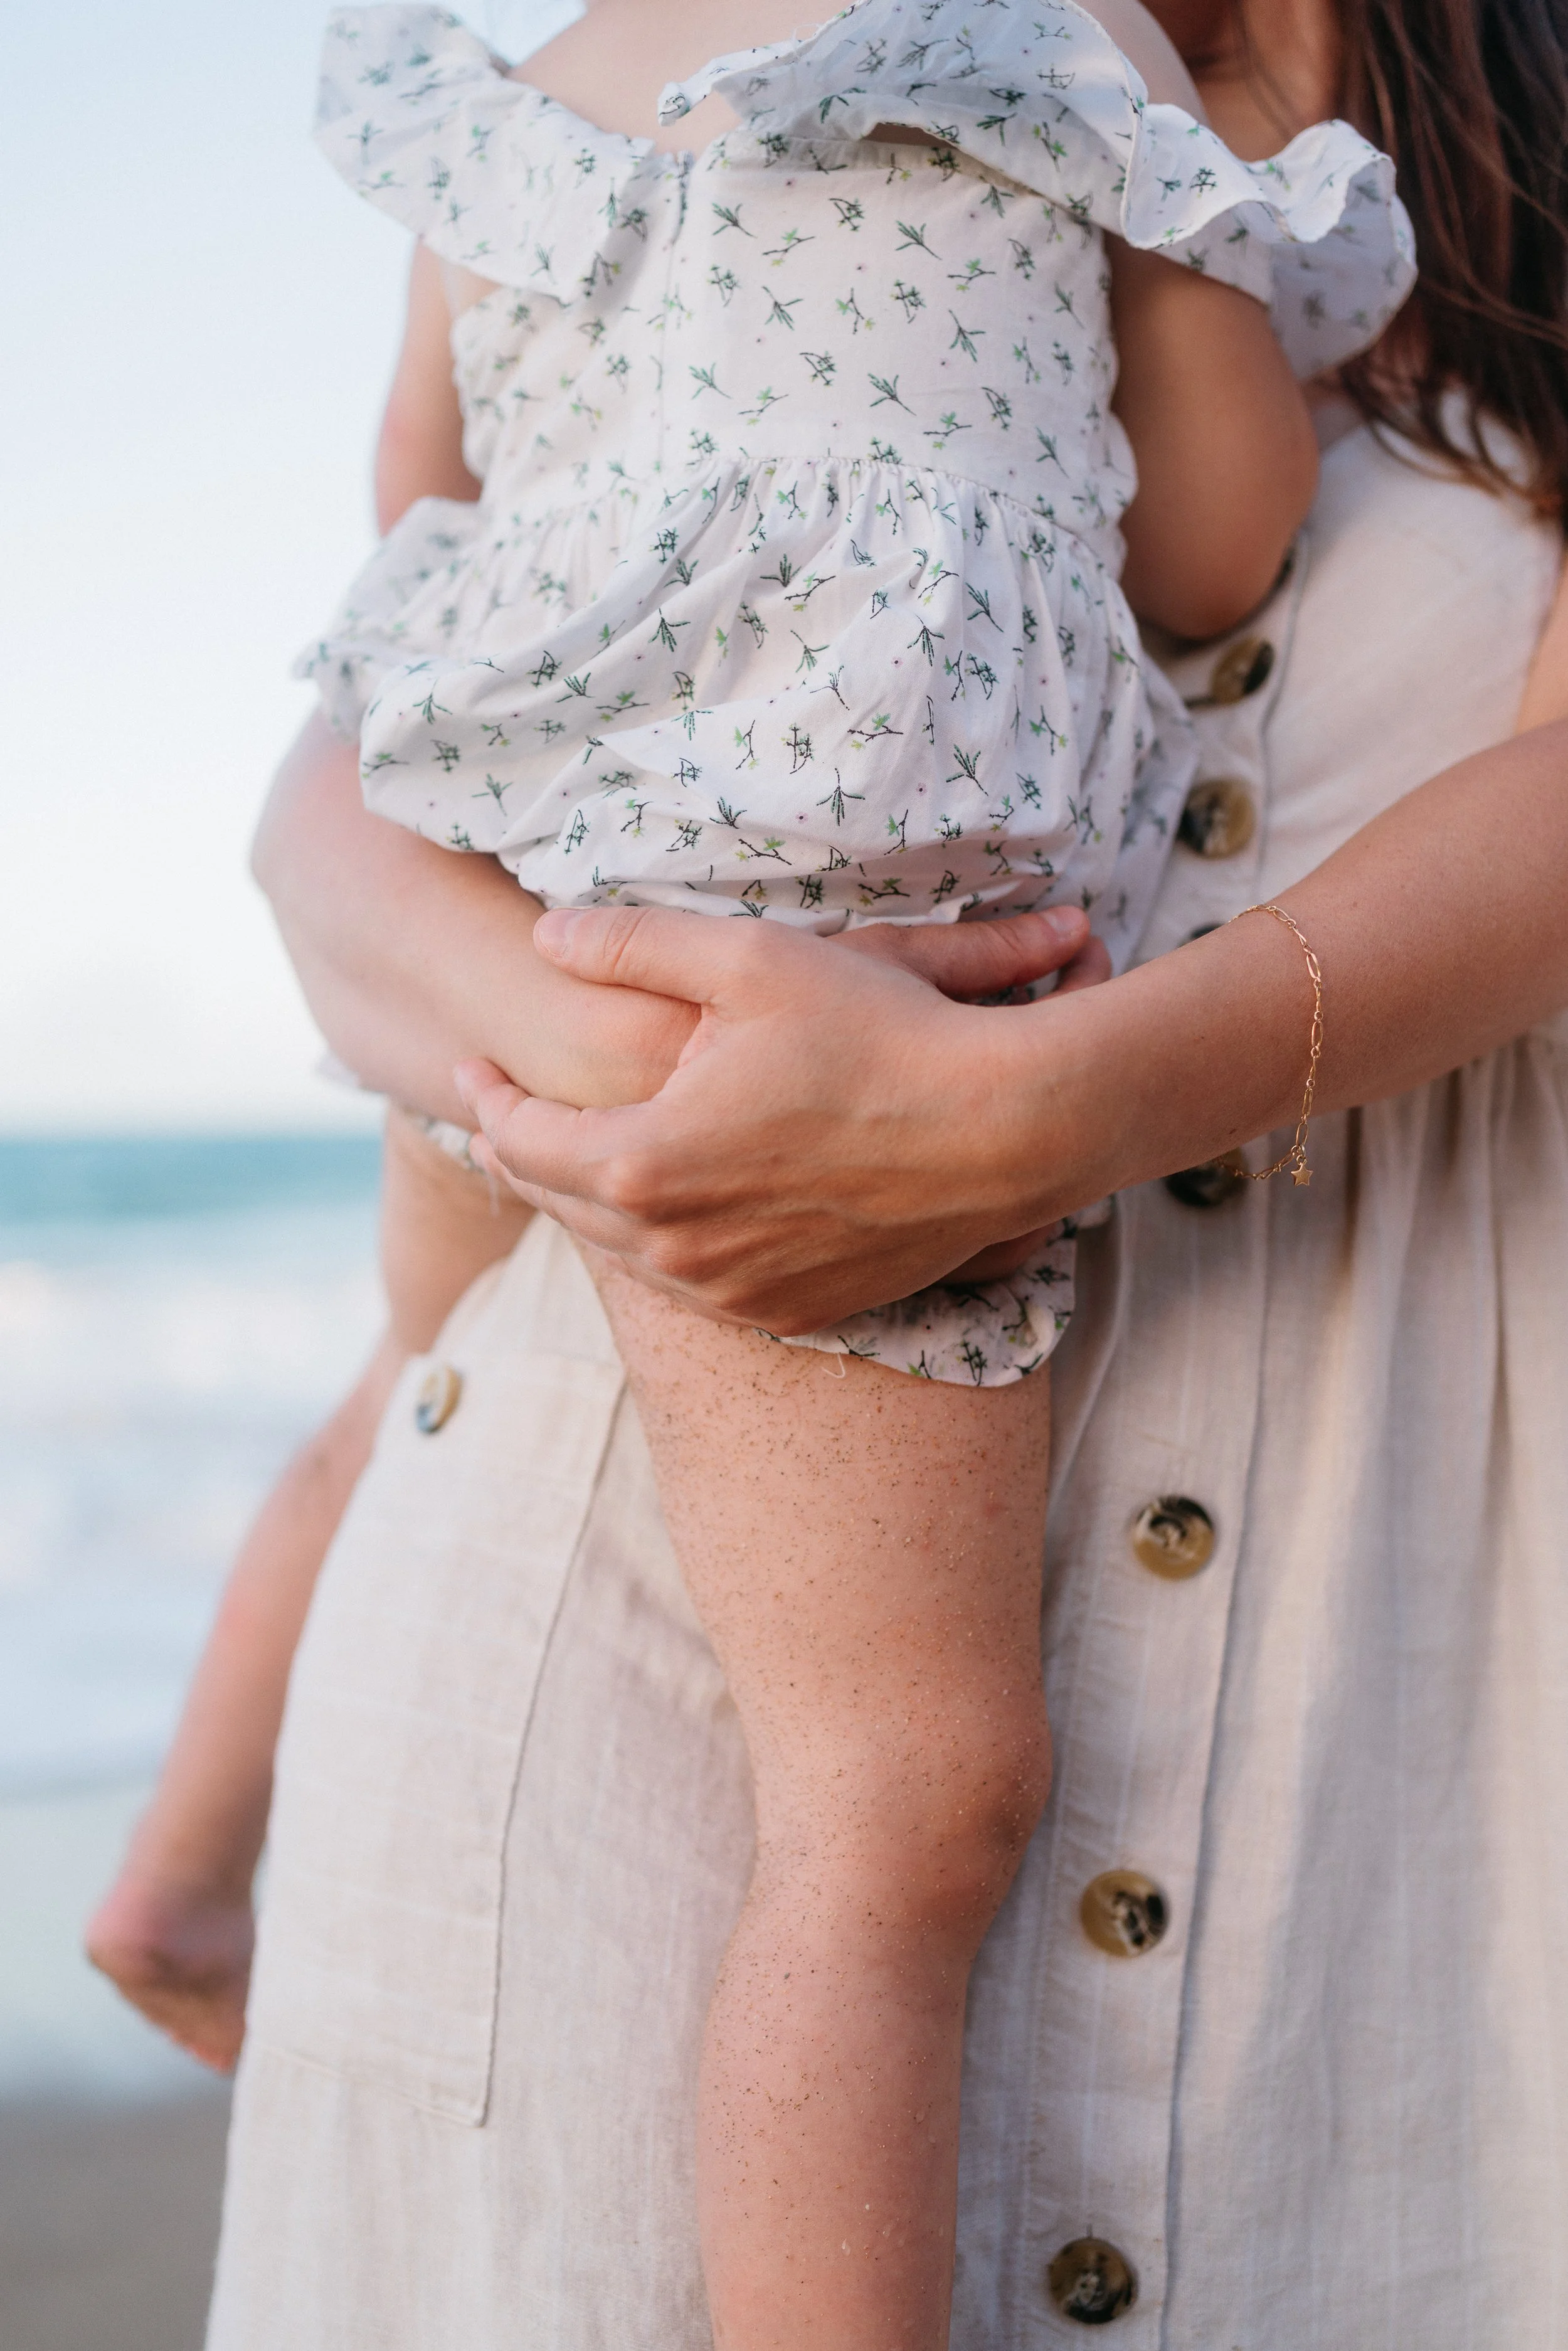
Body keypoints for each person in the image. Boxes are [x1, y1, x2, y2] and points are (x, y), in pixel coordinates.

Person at [98, 4, 1413, 2338]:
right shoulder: (1062, 40)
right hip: (816, 938)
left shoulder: (496, 90)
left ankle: (190, 1861)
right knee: (900, 1793)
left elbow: (417, 510)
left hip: (494, 875)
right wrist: (1210, 230)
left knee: (421, 1338)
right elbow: (1216, 552)